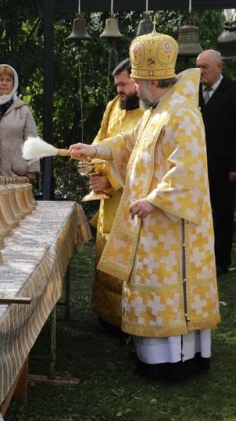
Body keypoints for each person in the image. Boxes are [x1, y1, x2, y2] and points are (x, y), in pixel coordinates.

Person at [69, 32, 220, 380]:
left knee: (169, 292)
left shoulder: (182, 115)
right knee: (147, 287)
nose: (134, 88)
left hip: (172, 227)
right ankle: (152, 356)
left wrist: (154, 201)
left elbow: (189, 170)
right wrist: (96, 149)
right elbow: (129, 141)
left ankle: (174, 361)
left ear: (152, 82)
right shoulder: (157, 111)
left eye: (137, 81)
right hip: (150, 223)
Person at [87, 58, 143, 335]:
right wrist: (96, 172)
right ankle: (106, 316)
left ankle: (126, 321)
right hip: (108, 200)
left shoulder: (150, 112)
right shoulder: (114, 106)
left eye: (123, 84)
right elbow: (101, 140)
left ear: (138, 81)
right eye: (117, 85)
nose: (119, 90)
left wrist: (110, 179)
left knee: (124, 259)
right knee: (105, 253)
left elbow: (141, 159)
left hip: (131, 198)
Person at [196, 49, 236, 276]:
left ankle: (220, 261)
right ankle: (197, 257)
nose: (200, 71)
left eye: (205, 67)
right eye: (198, 67)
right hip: (195, 165)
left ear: (220, 67)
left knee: (221, 214)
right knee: (197, 214)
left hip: (223, 167)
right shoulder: (191, 92)